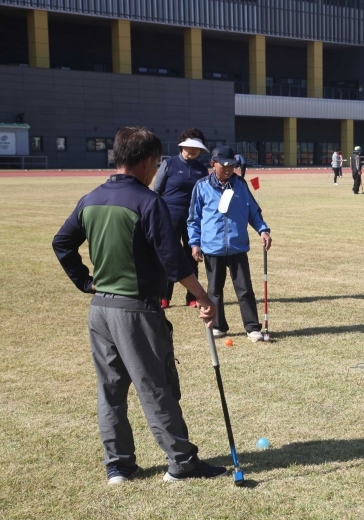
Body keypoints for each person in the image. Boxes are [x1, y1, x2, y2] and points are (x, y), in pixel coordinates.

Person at [52, 126, 228, 484]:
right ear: (148, 161)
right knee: (155, 385)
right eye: (156, 162)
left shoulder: (91, 199)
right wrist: (204, 296)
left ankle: (118, 465)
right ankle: (182, 462)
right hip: (136, 312)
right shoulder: (148, 202)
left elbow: (62, 243)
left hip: (100, 310)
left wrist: (86, 282)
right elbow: (174, 261)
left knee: (111, 390)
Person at [188, 146, 272, 341]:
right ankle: (218, 326)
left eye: (232, 165)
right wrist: (195, 243)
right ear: (213, 164)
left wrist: (263, 230)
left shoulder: (240, 185)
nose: (228, 169)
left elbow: (254, 212)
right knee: (214, 290)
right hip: (212, 247)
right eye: (224, 165)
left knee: (245, 290)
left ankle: (252, 328)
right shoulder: (201, 186)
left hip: (237, 246)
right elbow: (193, 219)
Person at [153, 128, 210, 309]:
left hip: (193, 220)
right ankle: (163, 296)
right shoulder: (169, 164)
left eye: (197, 148)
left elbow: (205, 195)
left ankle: (192, 297)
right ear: (182, 146)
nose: (193, 151)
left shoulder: (202, 169)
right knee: (167, 256)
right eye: (190, 147)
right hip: (169, 217)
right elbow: (156, 191)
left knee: (192, 256)